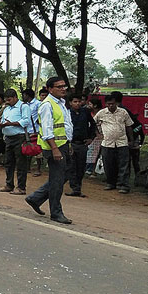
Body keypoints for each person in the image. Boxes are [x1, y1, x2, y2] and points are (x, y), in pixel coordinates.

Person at [25, 76, 74, 224]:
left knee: (65, 174)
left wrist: (67, 145)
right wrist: (55, 149)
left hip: (63, 144)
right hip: (54, 147)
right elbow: (46, 130)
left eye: (64, 86)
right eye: (59, 87)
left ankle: (36, 198)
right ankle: (56, 212)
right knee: (58, 180)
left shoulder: (61, 103)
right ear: (50, 89)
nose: (62, 89)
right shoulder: (47, 105)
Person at [94, 93, 133, 194]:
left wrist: (131, 140)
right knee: (108, 164)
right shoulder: (101, 113)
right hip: (107, 143)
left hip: (122, 142)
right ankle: (111, 183)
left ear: (116, 103)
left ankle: (124, 185)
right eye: (108, 104)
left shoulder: (123, 112)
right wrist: (98, 134)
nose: (110, 106)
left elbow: (129, 126)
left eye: (112, 103)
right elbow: (93, 123)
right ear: (106, 104)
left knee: (123, 164)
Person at [0, 89, 31, 194]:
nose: (8, 102)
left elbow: (26, 121)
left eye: (9, 100)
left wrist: (11, 124)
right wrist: (2, 124)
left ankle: (21, 187)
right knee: (8, 162)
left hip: (19, 137)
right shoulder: (7, 108)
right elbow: (2, 119)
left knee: (20, 163)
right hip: (8, 137)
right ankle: (9, 184)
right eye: (6, 100)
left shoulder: (23, 107)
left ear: (15, 97)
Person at [66, 93, 97, 197]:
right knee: (72, 166)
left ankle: (78, 187)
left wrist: (91, 138)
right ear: (70, 103)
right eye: (75, 102)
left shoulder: (85, 112)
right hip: (71, 143)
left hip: (83, 143)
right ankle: (74, 188)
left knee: (81, 167)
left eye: (79, 101)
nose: (77, 104)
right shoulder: (67, 113)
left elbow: (93, 125)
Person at [22, 88, 43, 177]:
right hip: (27, 129)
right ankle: (28, 167)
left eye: (24, 95)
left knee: (37, 149)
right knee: (28, 147)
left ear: (27, 95)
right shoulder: (25, 105)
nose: (23, 97)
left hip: (36, 130)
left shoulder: (38, 104)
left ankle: (38, 169)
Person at [86, 98, 103, 175]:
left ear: (95, 105)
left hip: (102, 136)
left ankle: (95, 170)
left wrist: (98, 134)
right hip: (93, 137)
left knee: (99, 154)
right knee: (91, 153)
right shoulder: (89, 113)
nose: (88, 106)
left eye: (90, 104)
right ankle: (89, 169)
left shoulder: (102, 113)